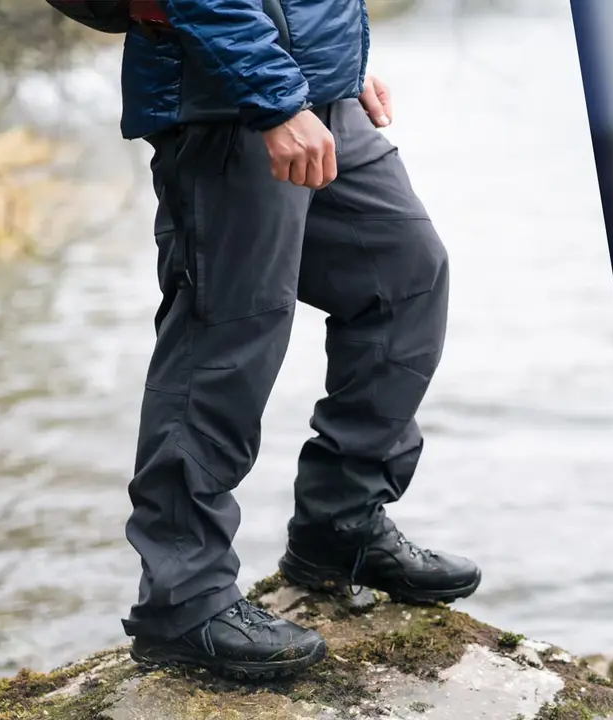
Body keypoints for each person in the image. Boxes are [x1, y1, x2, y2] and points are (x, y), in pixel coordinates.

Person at [115, 0, 481, 679]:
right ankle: (182, 600)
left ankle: (339, 527)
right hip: (228, 102)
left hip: (317, 90)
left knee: (405, 279)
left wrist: (341, 62)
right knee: (226, 338)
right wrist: (277, 99)